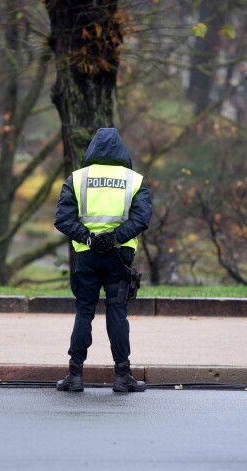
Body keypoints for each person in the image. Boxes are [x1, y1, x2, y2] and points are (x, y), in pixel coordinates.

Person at [54, 128, 152, 393]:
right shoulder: (134, 180)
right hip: (119, 257)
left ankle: (74, 376)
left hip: (87, 258)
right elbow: (141, 219)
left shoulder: (77, 179)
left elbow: (63, 219)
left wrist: (88, 238)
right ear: (121, 149)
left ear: (92, 149)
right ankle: (122, 376)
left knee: (84, 312)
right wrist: (113, 238)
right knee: (117, 312)